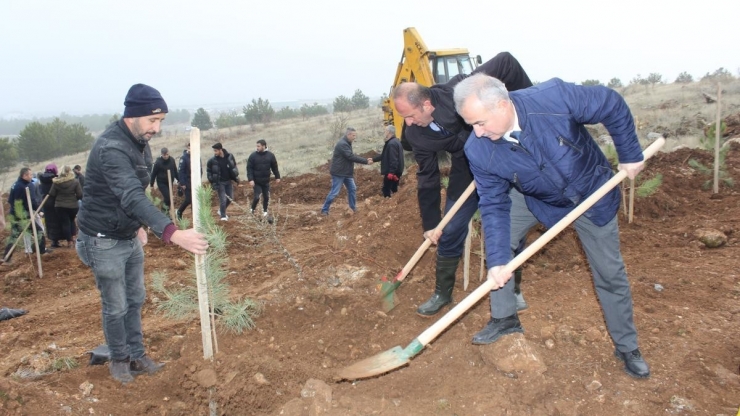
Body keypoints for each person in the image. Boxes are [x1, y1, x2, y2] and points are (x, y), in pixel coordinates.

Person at [454, 74, 650, 378]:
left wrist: (629, 154)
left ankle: (627, 346)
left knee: (610, 274)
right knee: (500, 250)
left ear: (503, 105)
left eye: (480, 123)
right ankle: (505, 318)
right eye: (471, 125)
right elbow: (493, 205)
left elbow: (611, 103)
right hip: (536, 196)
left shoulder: (553, 98)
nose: (476, 133)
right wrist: (496, 263)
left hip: (591, 193)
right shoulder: (478, 149)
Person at [76, 83, 209, 384]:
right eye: (153, 120)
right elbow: (131, 196)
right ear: (132, 116)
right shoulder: (112, 148)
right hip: (102, 239)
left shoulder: (137, 141)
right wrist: (173, 233)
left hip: (126, 234)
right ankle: (119, 361)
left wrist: (137, 225)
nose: (157, 128)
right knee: (116, 305)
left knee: (135, 298)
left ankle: (137, 355)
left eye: (160, 120)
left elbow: (133, 190)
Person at [391, 52, 533, 317]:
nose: (407, 124)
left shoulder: (460, 91)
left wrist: (529, 106)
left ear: (427, 104)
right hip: (465, 169)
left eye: (410, 116)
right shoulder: (415, 134)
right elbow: (428, 177)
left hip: (500, 158)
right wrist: (431, 224)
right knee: (452, 227)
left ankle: (513, 290)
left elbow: (506, 62)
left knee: (510, 226)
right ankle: (442, 293)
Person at [321, 127, 373, 215]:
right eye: (353, 135)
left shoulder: (347, 143)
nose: (354, 137)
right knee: (334, 192)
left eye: (355, 135)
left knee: (352, 189)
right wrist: (365, 161)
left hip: (346, 173)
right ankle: (324, 210)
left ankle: (353, 208)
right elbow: (350, 156)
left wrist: (365, 160)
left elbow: (350, 156)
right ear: (348, 135)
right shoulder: (342, 144)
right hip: (339, 173)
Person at [3, 167, 48, 264]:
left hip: (15, 214)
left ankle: (6, 257)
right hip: (22, 216)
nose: (31, 176)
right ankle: (42, 252)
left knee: (14, 236)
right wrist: (39, 210)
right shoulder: (26, 186)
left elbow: (10, 200)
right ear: (24, 175)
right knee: (39, 231)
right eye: (30, 174)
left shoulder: (15, 184)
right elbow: (31, 202)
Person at [48, 165, 82, 246]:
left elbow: (51, 194)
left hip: (60, 206)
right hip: (73, 206)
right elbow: (80, 195)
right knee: (72, 221)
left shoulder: (57, 182)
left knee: (65, 223)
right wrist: (74, 199)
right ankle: (73, 237)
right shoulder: (75, 181)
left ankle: (69, 241)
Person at [246, 139, 280, 217]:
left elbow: (274, 167)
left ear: (264, 146)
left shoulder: (270, 155)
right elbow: (249, 168)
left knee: (267, 197)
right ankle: (252, 210)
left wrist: (277, 177)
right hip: (256, 181)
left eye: (259, 146)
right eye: (256, 146)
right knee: (257, 197)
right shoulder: (253, 156)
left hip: (266, 181)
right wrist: (250, 179)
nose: (257, 148)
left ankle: (265, 212)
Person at [206, 142, 239, 221]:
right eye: (214, 151)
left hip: (228, 181)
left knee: (230, 198)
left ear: (220, 150)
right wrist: (212, 180)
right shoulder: (212, 160)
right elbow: (209, 171)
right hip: (220, 182)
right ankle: (223, 216)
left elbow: (234, 166)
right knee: (223, 200)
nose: (215, 152)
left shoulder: (229, 157)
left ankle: (221, 211)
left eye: (216, 151)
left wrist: (235, 177)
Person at [372, 125, 404, 198]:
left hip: (392, 172)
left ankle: (388, 204)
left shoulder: (391, 144)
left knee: (386, 189)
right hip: (397, 170)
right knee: (394, 188)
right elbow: (384, 155)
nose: (385, 132)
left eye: (385, 131)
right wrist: (373, 160)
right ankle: (395, 204)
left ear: (389, 132)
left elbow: (394, 159)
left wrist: (391, 172)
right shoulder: (396, 141)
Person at [38, 163, 62, 248]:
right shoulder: (55, 179)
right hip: (55, 201)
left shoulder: (42, 180)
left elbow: (40, 191)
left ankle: (53, 241)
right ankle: (58, 238)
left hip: (45, 202)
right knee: (57, 220)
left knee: (49, 221)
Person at [150, 147, 179, 214]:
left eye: (167, 154)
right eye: (164, 155)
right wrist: (151, 184)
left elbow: (175, 170)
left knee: (169, 199)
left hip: (170, 182)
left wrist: (179, 180)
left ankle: (166, 212)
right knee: (168, 197)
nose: (166, 156)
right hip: (161, 182)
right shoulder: (158, 162)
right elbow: (154, 173)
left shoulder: (172, 160)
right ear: (161, 154)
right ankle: (164, 212)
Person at [176, 142, 197, 220]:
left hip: (195, 181)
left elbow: (199, 168)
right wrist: (183, 183)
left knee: (195, 200)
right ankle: (179, 211)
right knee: (189, 199)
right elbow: (181, 171)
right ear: (188, 148)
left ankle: (195, 216)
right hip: (187, 181)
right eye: (190, 147)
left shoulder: (196, 156)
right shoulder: (184, 158)